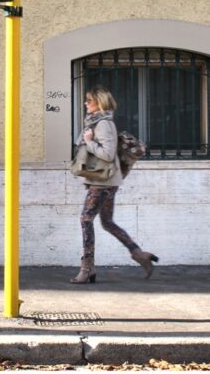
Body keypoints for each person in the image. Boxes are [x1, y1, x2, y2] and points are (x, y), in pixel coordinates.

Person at [71, 85, 158, 284]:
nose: (86, 103)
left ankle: (87, 267)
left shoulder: (103, 124)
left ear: (99, 102)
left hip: (104, 182)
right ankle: (139, 254)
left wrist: (89, 142)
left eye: (89, 100)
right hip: (105, 180)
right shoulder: (97, 122)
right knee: (107, 222)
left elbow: (108, 154)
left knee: (86, 219)